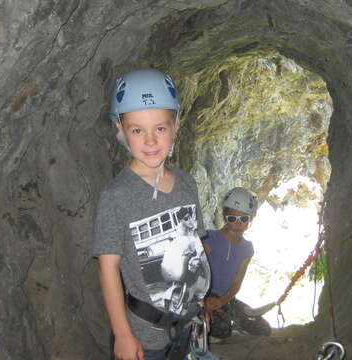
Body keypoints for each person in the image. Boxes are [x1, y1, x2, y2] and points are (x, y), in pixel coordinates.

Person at [91, 69, 211, 360]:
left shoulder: (185, 183)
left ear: (176, 125)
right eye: (137, 130)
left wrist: (200, 304)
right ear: (120, 129)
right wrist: (122, 334)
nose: (150, 141)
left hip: (187, 325)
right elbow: (108, 268)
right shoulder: (116, 197)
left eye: (160, 128)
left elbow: (198, 244)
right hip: (145, 335)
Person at [203, 187, 271, 341]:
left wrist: (221, 301)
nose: (238, 223)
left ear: (250, 220)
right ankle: (222, 320)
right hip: (205, 295)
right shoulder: (209, 238)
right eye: (232, 218)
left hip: (226, 297)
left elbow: (236, 283)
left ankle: (230, 316)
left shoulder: (247, 248)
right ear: (224, 216)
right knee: (221, 331)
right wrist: (204, 300)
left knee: (263, 329)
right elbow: (195, 274)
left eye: (244, 218)